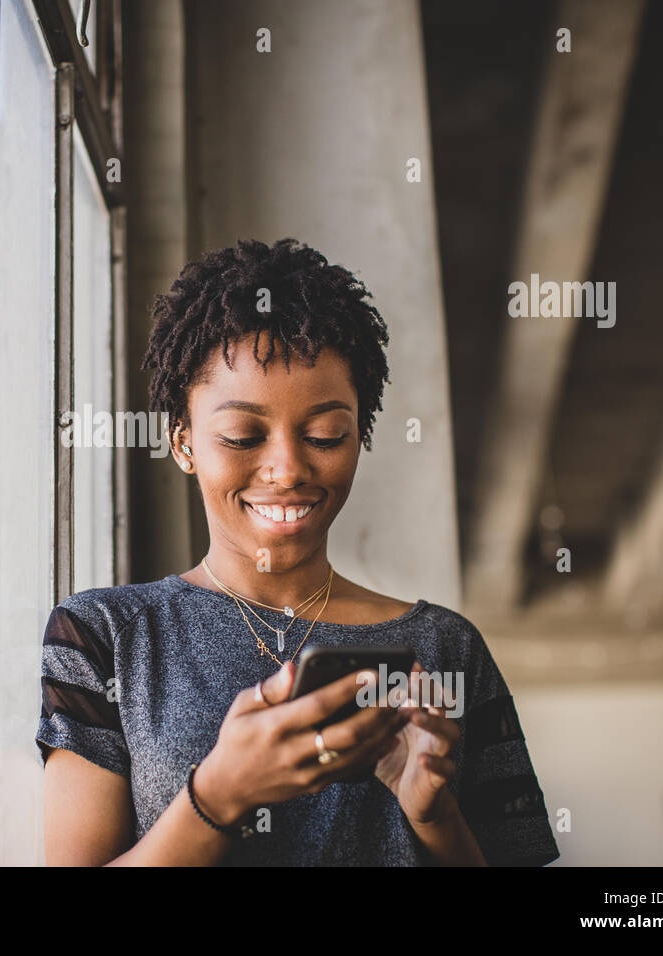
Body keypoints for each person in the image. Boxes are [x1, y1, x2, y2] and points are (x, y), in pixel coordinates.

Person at [35, 237, 560, 866]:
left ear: (359, 437)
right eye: (241, 435)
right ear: (183, 444)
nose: (287, 469)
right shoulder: (105, 636)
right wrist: (219, 796)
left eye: (324, 434)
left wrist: (436, 817)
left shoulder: (446, 648)